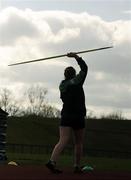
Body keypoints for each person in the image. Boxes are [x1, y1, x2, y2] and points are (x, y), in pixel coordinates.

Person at [46, 52, 88, 173]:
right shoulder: (78, 81)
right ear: (74, 74)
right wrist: (76, 57)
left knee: (63, 140)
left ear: (65, 75)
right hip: (79, 115)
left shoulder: (62, 85)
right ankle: (76, 166)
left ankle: (52, 162)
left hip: (67, 115)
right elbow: (85, 69)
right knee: (78, 142)